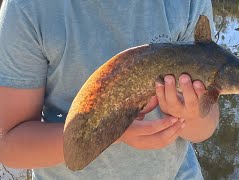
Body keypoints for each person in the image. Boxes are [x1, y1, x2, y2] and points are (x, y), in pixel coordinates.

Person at [0, 0, 219, 179]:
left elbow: (204, 128)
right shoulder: (28, 8)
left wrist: (189, 115)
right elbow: (9, 145)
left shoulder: (186, 4)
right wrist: (111, 132)